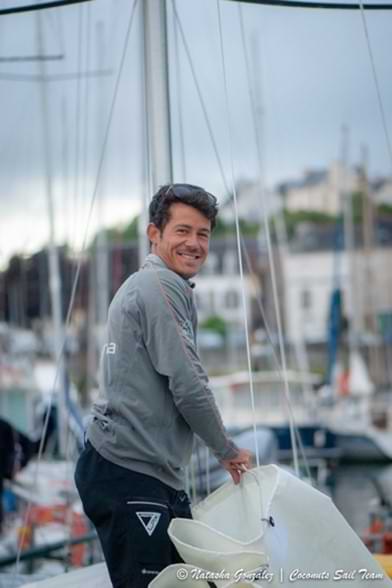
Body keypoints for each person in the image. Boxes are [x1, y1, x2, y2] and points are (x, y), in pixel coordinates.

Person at [75, 184, 252, 588]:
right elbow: (188, 383)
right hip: (129, 469)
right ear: (154, 234)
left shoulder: (164, 287)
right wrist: (225, 450)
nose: (194, 243)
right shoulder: (159, 287)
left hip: (151, 475)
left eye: (203, 234)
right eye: (182, 231)